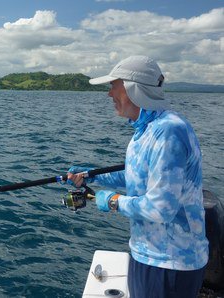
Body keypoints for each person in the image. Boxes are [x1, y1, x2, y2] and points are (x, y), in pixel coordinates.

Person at [67, 56, 209, 297]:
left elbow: (161, 208)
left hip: (170, 263)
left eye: (113, 85)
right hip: (147, 255)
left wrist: (111, 201)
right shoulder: (144, 130)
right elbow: (136, 176)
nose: (109, 94)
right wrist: (92, 176)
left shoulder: (168, 131)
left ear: (133, 88)